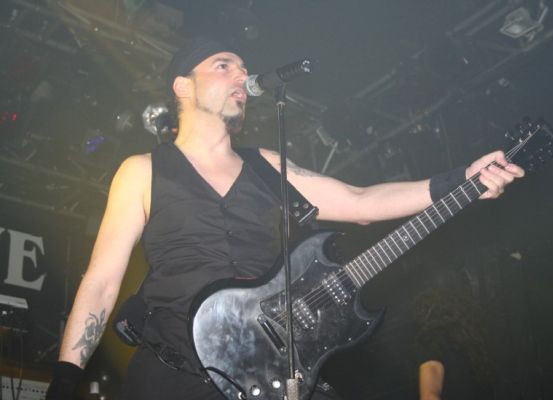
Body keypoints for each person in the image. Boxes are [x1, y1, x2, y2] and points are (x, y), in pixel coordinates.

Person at [45, 37, 524, 400]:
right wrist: (66, 378)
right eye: (223, 65)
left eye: (244, 68)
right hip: (173, 375)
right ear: (182, 86)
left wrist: (461, 179)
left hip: (268, 378)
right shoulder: (143, 171)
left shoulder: (267, 166)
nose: (241, 76)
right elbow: (102, 283)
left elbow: (359, 201)